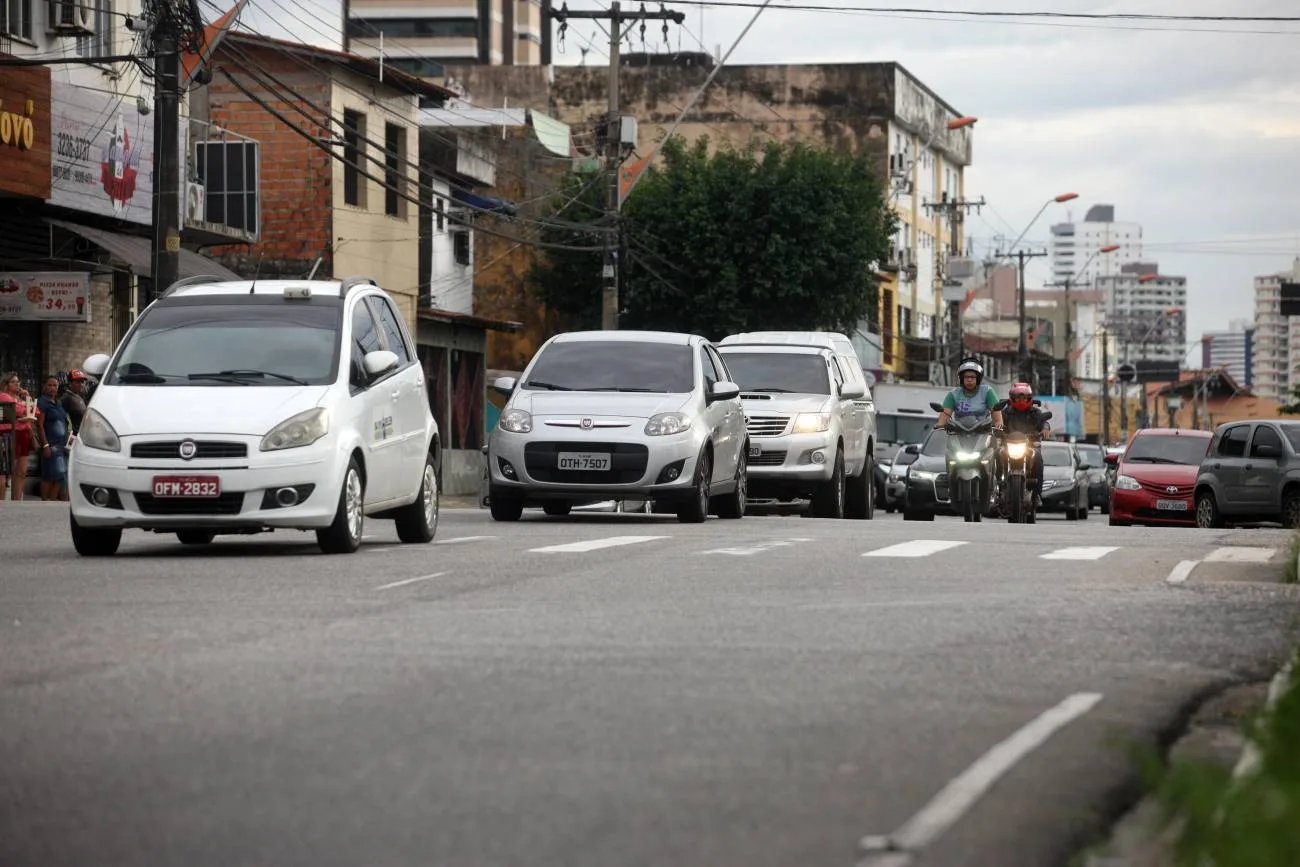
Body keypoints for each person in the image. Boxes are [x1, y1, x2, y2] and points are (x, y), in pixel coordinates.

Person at [1001, 381, 1050, 506]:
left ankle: (1037, 493)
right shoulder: (1006, 412)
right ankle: (998, 486)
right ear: (1012, 397)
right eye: (1018, 397)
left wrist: (1045, 428)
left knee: (1038, 457)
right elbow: (998, 424)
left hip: (1029, 445)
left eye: (1024, 397)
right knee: (996, 453)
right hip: (1009, 445)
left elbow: (1043, 422)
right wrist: (997, 429)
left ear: (1029, 398)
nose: (1021, 400)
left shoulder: (1035, 412)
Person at [934, 358, 1004, 431]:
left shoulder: (987, 391)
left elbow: (997, 419)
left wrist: (998, 424)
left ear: (978, 378)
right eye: (966, 377)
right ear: (961, 378)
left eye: (972, 377)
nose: (969, 380)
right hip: (958, 436)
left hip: (983, 436)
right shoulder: (953, 394)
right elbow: (945, 415)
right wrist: (940, 425)